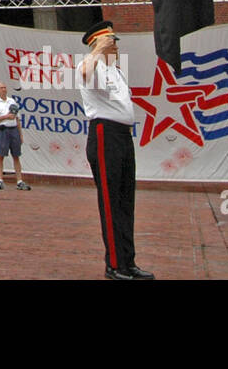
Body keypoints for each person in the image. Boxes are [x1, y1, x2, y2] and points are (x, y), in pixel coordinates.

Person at [77, 20, 153, 280]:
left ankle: (128, 261)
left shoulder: (116, 71)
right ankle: (113, 265)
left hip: (122, 135)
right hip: (104, 134)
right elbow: (86, 72)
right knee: (110, 202)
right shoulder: (89, 65)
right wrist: (98, 49)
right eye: (111, 42)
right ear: (98, 44)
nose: (116, 46)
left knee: (125, 201)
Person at [0, 81, 30, 191]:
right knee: (1, 155)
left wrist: (20, 134)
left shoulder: (12, 101)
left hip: (14, 129)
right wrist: (6, 117)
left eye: (5, 87)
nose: (4, 89)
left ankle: (19, 181)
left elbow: (17, 118)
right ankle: (0, 180)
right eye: (1, 88)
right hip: (3, 129)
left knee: (16, 155)